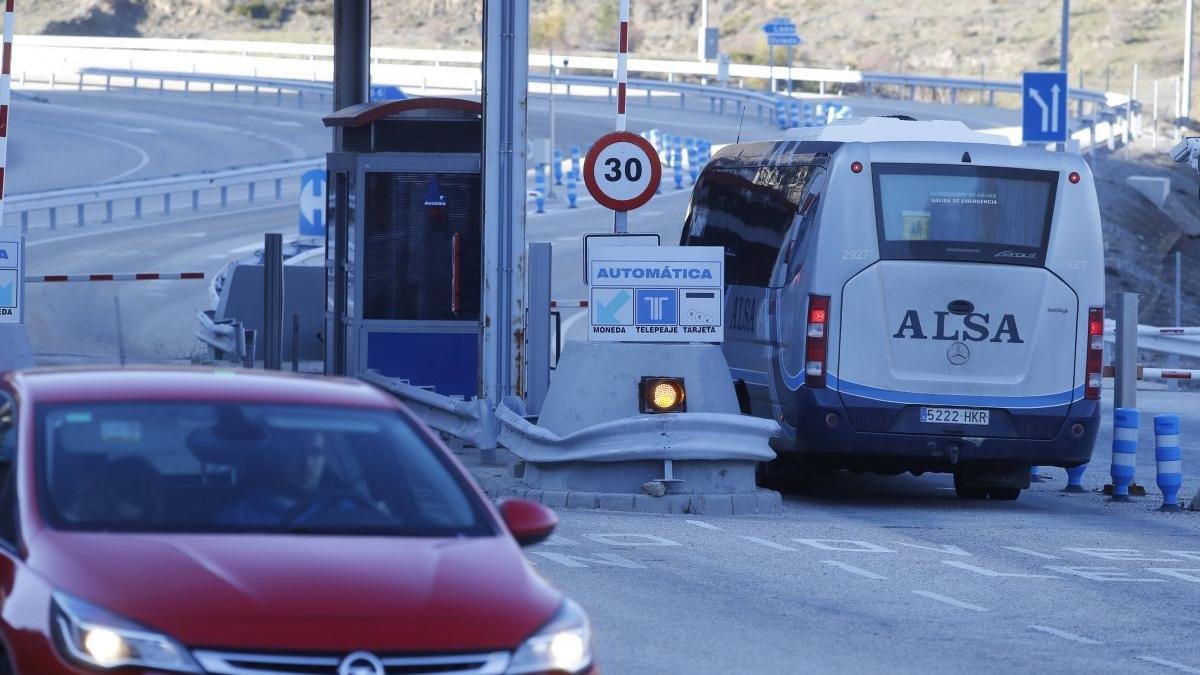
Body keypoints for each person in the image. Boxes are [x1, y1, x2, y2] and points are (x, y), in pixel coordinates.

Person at [217, 432, 332, 527]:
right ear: (277, 458)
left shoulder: (338, 512)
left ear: (325, 460)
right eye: (296, 452)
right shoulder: (238, 518)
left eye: (315, 452)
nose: (307, 463)